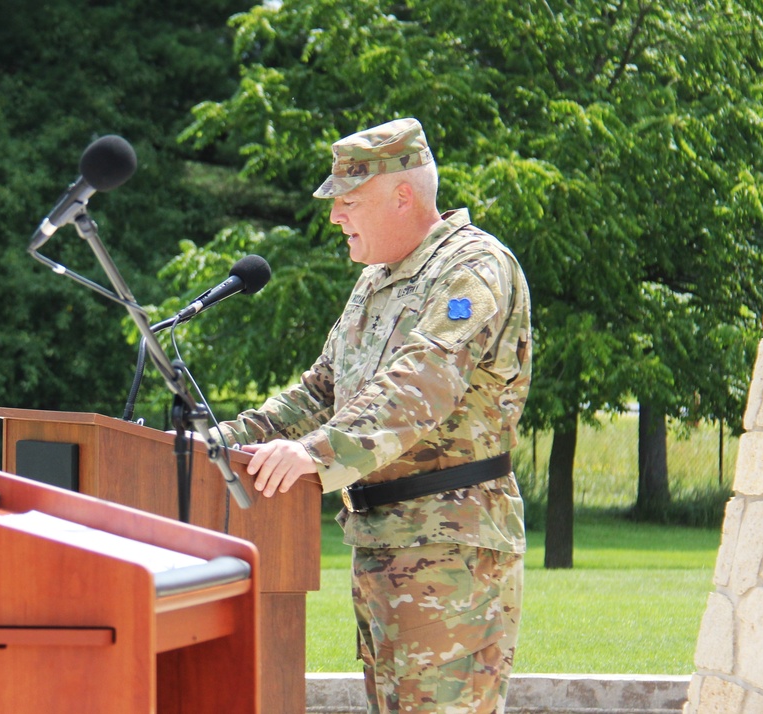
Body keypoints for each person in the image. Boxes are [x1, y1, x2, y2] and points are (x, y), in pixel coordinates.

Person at [213, 117, 531, 714]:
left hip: (450, 549)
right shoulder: (375, 284)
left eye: (349, 202)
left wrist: (314, 454)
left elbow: (420, 386)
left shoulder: (472, 268)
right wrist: (214, 442)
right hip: (382, 543)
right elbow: (317, 394)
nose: (336, 216)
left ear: (402, 196)